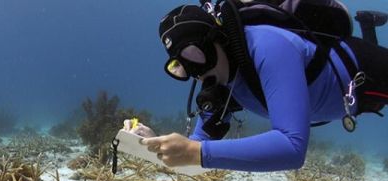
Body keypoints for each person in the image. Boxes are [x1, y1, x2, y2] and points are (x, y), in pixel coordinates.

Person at [126, 1, 388, 172]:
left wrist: (195, 151)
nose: (195, 74)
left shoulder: (269, 47)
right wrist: (153, 144)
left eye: (195, 56)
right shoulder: (220, 82)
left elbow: (292, 148)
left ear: (218, 40)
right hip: (341, 100)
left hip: (362, 71)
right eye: (180, 67)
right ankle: (368, 27)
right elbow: (196, 150)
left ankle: (367, 27)